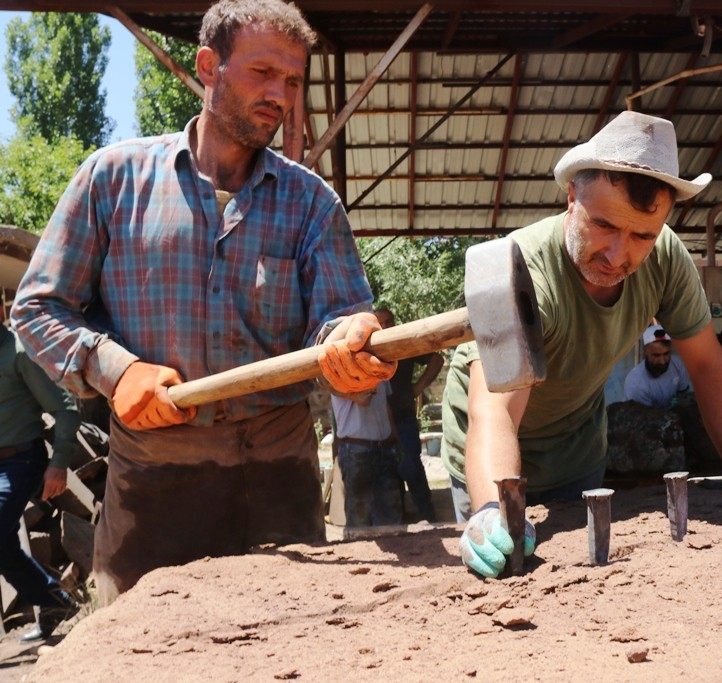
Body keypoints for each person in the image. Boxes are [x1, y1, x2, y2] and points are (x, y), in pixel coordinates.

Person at [11, 0, 394, 604]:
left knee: (292, 648)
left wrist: (350, 338)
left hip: (278, 482)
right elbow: (36, 308)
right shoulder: (113, 179)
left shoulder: (311, 203)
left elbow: (339, 315)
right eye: (262, 73)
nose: (280, 94)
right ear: (209, 65)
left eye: (292, 80)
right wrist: (116, 370)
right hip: (151, 487)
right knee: (140, 655)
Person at [440, 110, 722, 578]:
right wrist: (490, 507)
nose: (618, 255)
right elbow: (496, 411)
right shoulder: (522, 272)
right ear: (571, 198)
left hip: (575, 448)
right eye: (604, 225)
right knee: (500, 568)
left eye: (642, 235)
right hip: (488, 444)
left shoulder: (665, 258)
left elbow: (707, 364)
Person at [0, 322, 81, 642]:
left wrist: (59, 463)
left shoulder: (20, 351)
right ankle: (54, 604)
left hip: (20, 462)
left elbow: (65, 409)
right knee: (4, 549)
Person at [375, 308, 442, 523]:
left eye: (389, 321)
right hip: (378, 427)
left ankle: (428, 516)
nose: (385, 326)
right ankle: (400, 521)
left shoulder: (402, 345)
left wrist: (417, 387)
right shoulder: (369, 350)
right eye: (381, 322)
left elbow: (437, 360)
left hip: (404, 419)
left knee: (411, 467)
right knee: (388, 476)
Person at [330, 382, 404, 527]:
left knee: (391, 517)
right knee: (359, 518)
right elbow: (363, 399)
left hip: (384, 447)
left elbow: (384, 403)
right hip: (356, 450)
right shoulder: (340, 368)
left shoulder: (381, 367)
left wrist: (395, 437)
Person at [623, 324, 692, 408]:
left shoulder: (677, 364)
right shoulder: (636, 384)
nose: (662, 361)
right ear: (645, 351)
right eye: (656, 355)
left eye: (666, 354)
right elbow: (644, 419)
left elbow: (684, 396)